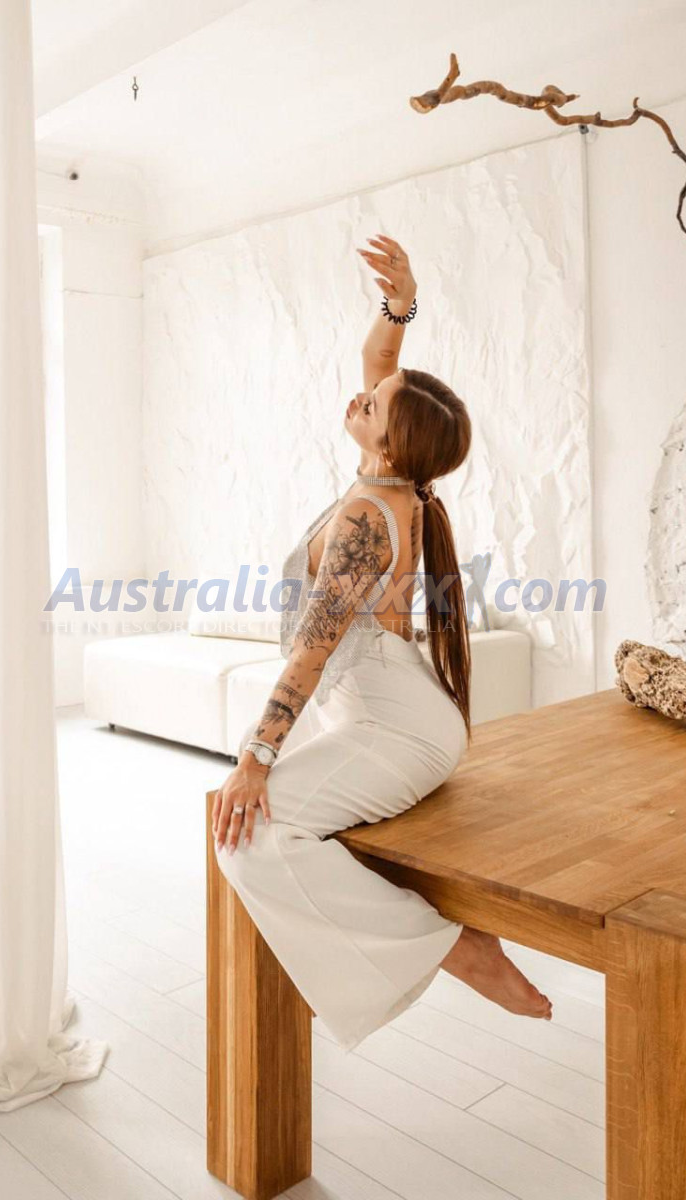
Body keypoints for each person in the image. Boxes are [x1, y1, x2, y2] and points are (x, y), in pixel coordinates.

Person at [211, 234, 552, 1053]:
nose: (362, 394)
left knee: (249, 841)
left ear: (391, 442)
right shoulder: (391, 479)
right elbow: (382, 359)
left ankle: (455, 949)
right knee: (256, 830)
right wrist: (400, 303)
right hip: (395, 718)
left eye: (375, 403)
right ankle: (377, 954)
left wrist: (256, 755)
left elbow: (314, 648)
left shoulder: (371, 515)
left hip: (395, 731)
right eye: (375, 391)